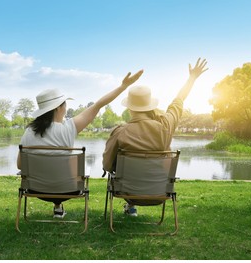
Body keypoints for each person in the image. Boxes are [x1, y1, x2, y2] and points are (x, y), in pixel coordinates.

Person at [17, 69, 143, 218]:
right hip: (68, 189)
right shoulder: (69, 128)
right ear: (58, 108)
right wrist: (123, 86)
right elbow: (98, 105)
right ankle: (58, 207)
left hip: (35, 189)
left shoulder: (29, 131)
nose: (66, 107)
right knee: (63, 174)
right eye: (65, 104)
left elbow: (20, 165)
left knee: (52, 173)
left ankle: (58, 208)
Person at [102, 58, 208, 217]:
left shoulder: (120, 132)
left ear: (130, 108)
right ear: (150, 105)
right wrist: (192, 78)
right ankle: (131, 207)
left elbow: (107, 165)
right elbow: (178, 101)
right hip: (159, 192)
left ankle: (130, 206)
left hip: (126, 190)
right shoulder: (165, 126)